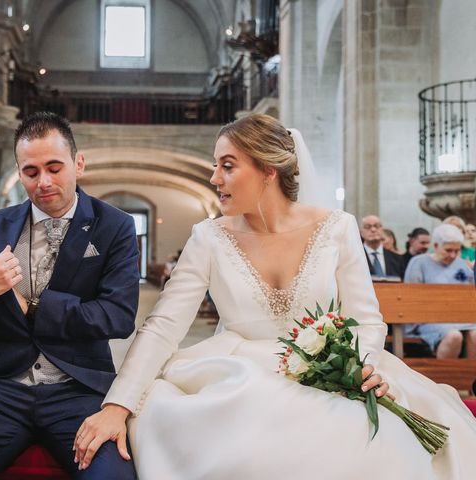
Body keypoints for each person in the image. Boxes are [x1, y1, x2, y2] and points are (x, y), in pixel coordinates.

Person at [74, 114, 476, 479]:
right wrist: (118, 405)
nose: (215, 177)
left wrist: (364, 366)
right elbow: (163, 326)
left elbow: (367, 319)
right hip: (237, 372)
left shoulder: (337, 228)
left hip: (330, 373)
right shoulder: (209, 237)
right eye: (216, 166)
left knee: (371, 441)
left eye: (227, 166)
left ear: (268, 170)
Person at [0, 112, 140, 480]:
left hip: (79, 392)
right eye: (31, 172)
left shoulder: (114, 225)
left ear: (78, 163)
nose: (44, 182)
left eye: (55, 168)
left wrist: (36, 307)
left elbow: (118, 316)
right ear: (19, 172)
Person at [404, 224, 476, 359]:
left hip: (460, 318)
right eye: (448, 250)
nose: (453, 255)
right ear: (436, 246)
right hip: (427, 320)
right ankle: (445, 378)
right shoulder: (419, 263)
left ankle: (470, 377)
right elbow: (411, 298)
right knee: (454, 336)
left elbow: (470, 295)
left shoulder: (461, 264)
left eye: (456, 251)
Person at [360, 215, 405, 280]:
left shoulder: (397, 259)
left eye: (377, 226)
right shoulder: (353, 258)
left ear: (382, 230)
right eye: (367, 227)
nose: (373, 229)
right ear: (361, 232)